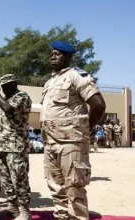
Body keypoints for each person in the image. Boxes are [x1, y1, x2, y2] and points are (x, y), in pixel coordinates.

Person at [41, 41, 106, 220]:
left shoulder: (76, 76)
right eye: (52, 53)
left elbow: (98, 105)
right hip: (50, 141)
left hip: (71, 142)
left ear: (68, 56)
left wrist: (88, 128)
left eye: (58, 53)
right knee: (56, 187)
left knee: (74, 187)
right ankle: (62, 216)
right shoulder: (50, 81)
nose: (53, 56)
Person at [0, 74, 32, 219]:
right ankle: (12, 207)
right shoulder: (4, 98)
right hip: (1, 145)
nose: (4, 88)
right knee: (5, 179)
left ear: (14, 84)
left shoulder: (22, 96)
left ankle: (25, 211)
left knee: (19, 179)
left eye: (7, 85)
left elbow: (8, 109)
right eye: (2, 86)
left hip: (16, 145)